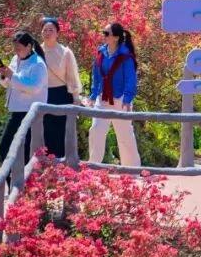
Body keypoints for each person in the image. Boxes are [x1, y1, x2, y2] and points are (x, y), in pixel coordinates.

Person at [87, 22, 141, 169]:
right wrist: (93, 94)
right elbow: (96, 75)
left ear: (116, 37)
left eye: (106, 33)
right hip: (102, 98)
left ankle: (131, 170)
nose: (103, 36)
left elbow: (130, 78)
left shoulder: (125, 56)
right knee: (96, 131)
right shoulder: (101, 52)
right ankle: (92, 169)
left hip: (120, 99)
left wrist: (128, 99)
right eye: (103, 33)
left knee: (124, 136)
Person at [0, 32, 49, 162]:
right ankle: (13, 181)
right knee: (5, 147)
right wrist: (4, 75)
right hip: (15, 110)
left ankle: (21, 181)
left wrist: (12, 75)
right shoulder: (16, 59)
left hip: (29, 112)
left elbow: (33, 87)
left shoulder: (38, 64)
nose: (16, 51)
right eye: (15, 48)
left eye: (19, 48)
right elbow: (7, 84)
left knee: (22, 150)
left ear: (29, 46)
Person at [40, 17, 82, 159]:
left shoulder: (65, 52)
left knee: (61, 131)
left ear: (57, 32)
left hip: (61, 94)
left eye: (51, 30)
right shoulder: (36, 51)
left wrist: (76, 97)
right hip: (43, 95)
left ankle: (62, 165)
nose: (47, 33)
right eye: (44, 30)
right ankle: (45, 165)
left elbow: (72, 76)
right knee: (45, 131)